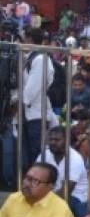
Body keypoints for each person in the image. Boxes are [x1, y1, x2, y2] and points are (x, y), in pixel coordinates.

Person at [36, 125, 89, 217]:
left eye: (57, 140)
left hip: (75, 196)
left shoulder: (75, 159)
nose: (53, 142)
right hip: (51, 193)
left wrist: (42, 201)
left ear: (67, 141)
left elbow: (65, 191)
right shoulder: (45, 154)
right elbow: (35, 176)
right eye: (51, 139)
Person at [22, 28, 55, 169]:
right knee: (29, 153)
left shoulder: (41, 59)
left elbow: (32, 89)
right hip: (29, 113)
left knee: (37, 153)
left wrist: (20, 102)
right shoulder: (30, 57)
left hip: (37, 114)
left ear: (29, 39)